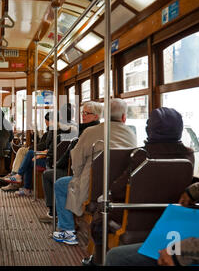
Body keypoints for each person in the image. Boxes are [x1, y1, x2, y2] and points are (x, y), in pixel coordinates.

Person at [84, 107, 196, 266]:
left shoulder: (143, 155)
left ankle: (98, 259)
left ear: (150, 129)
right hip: (171, 215)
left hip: (134, 218)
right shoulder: (188, 155)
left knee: (102, 212)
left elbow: (118, 190)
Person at [52, 98, 137, 246]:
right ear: (124, 117)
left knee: (60, 184)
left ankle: (67, 230)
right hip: (119, 188)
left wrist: (77, 177)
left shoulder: (90, 132)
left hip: (92, 187)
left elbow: (76, 160)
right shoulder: (131, 134)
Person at [105, 177, 199, 266]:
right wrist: (195, 190)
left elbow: (115, 189)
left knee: (115, 257)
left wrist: (181, 252)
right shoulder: (186, 161)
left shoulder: (139, 160)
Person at [39, 101, 103, 222]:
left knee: (50, 176)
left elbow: (74, 160)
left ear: (96, 116)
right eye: (82, 112)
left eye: (87, 113)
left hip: (82, 175)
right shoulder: (94, 131)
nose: (83, 115)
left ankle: (56, 215)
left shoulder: (83, 133)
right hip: (97, 176)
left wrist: (58, 165)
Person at [2, 112, 54, 197]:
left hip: (47, 159)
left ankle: (16, 176)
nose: (45, 123)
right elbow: (44, 144)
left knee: (25, 153)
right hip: (43, 154)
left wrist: (33, 149)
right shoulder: (49, 132)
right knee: (25, 155)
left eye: (46, 121)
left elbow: (45, 146)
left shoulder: (52, 133)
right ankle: (23, 185)